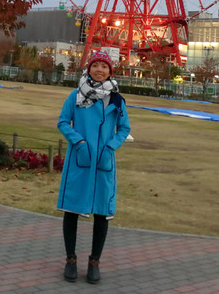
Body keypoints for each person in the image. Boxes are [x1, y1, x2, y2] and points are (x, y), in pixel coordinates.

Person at [56, 49, 131, 284]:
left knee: (102, 213)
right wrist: (78, 142)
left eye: (104, 66)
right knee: (72, 210)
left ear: (110, 71)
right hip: (81, 160)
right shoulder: (75, 95)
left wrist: (110, 148)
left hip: (103, 162)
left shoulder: (116, 100)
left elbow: (125, 128)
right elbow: (62, 122)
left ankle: (94, 262)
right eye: (95, 65)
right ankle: (70, 260)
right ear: (89, 69)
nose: (99, 70)